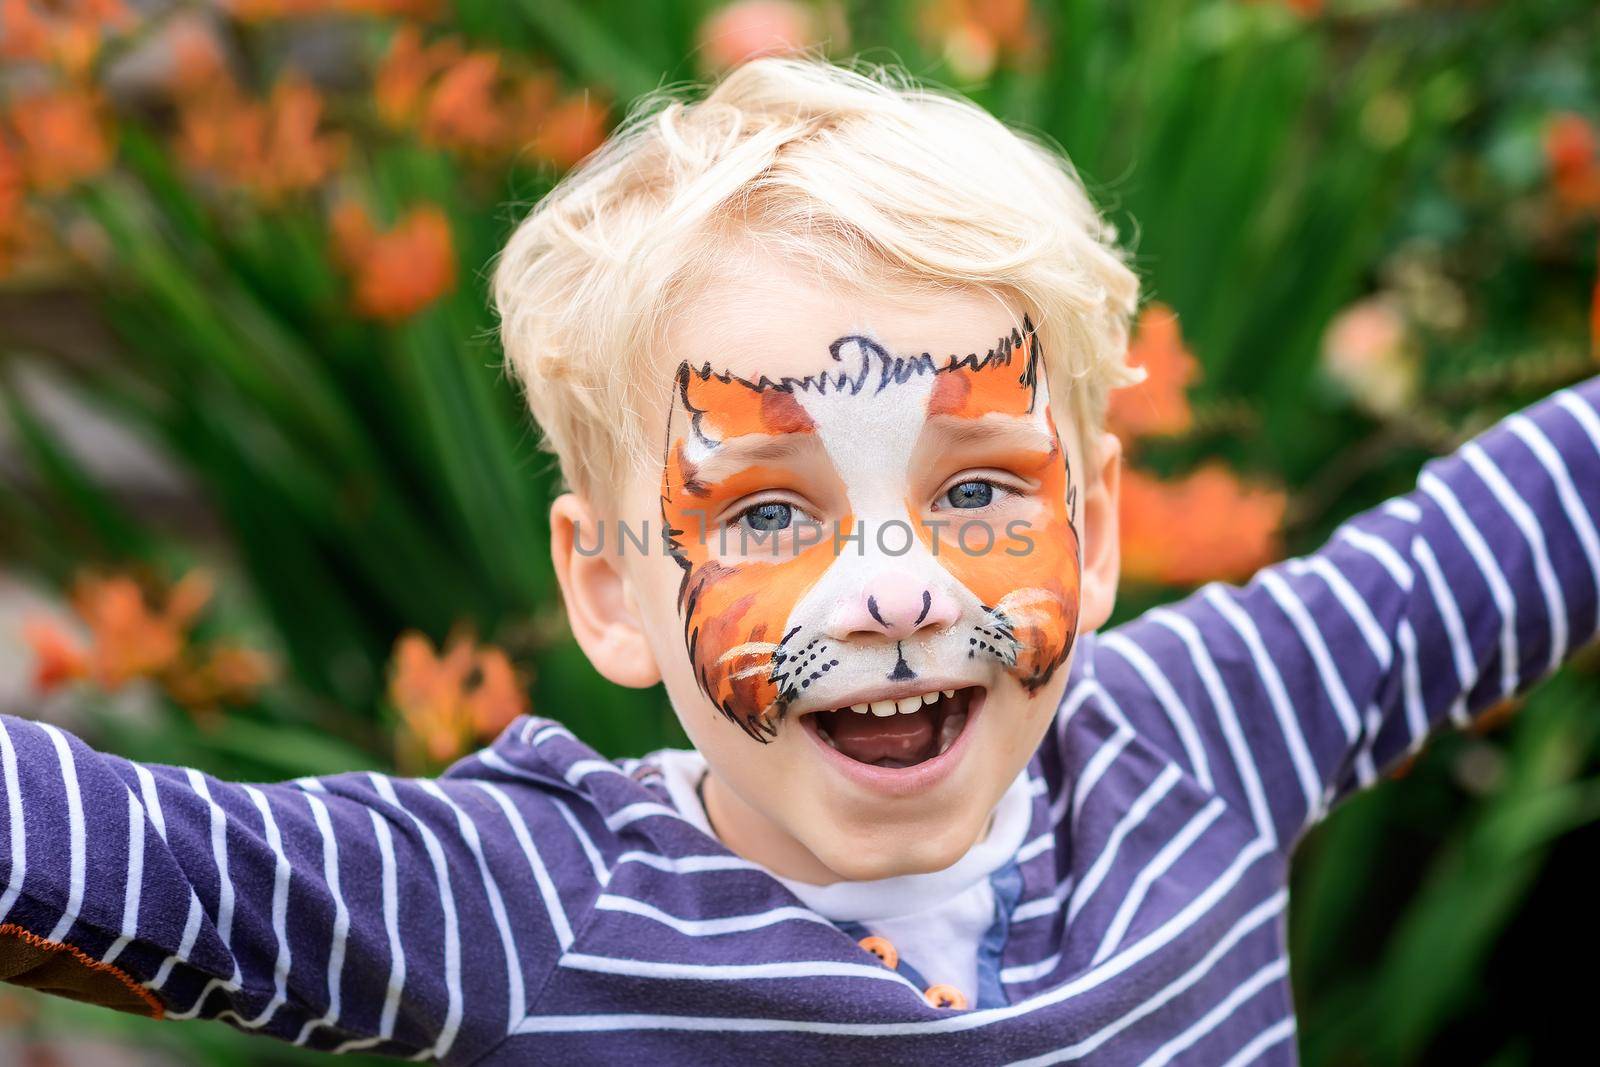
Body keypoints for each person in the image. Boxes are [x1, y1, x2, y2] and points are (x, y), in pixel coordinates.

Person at [2, 57, 1596, 1065]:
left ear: (1096, 529)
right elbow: (175, 865)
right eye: (768, 514)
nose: (900, 591)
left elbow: (1518, 527)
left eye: (979, 490)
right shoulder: (543, 905)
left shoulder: (1191, 745)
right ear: (611, 586)